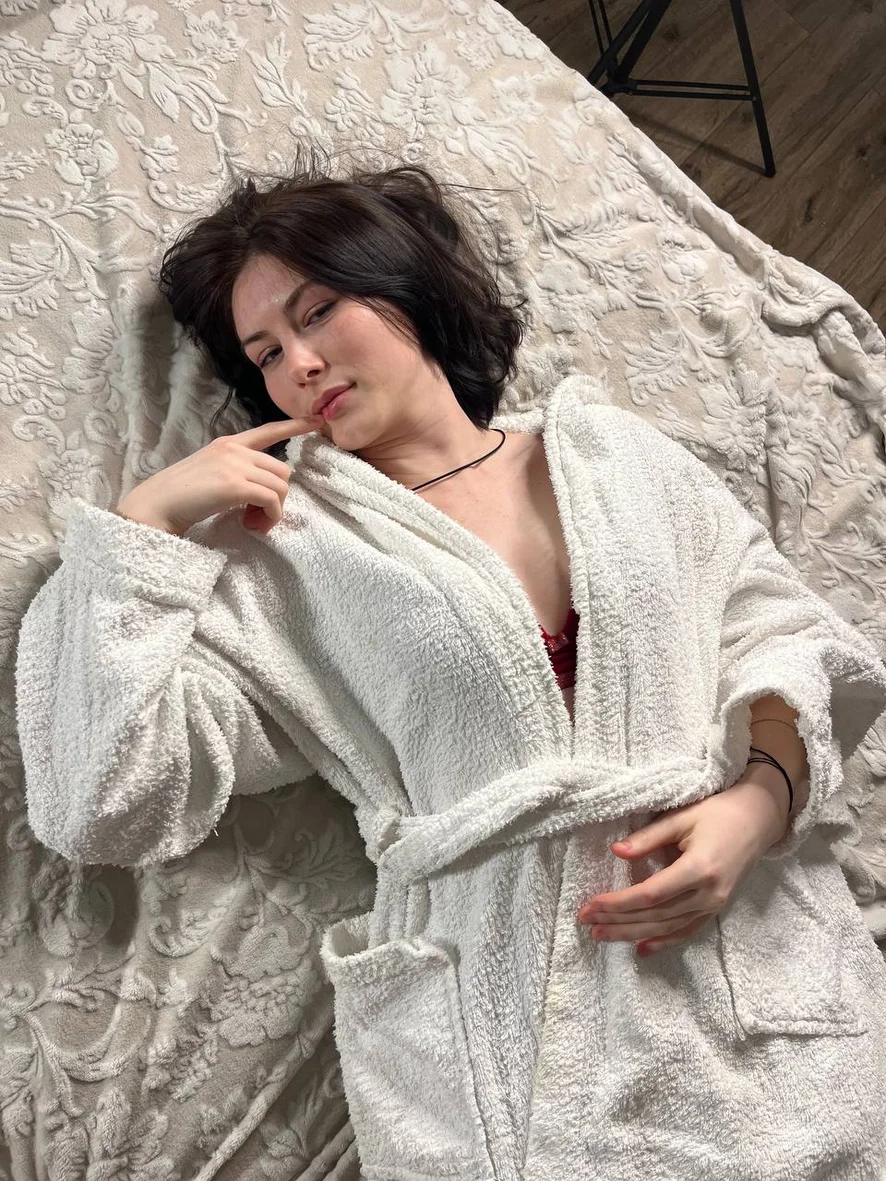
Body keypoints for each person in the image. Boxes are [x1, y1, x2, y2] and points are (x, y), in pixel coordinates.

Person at [15, 144, 886, 1179]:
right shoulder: (286, 545)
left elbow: (786, 630)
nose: (298, 362)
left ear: (409, 289)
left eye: (317, 311)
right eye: (264, 352)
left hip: (752, 980)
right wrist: (142, 529)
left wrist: (760, 803)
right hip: (505, 1038)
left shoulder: (612, 452)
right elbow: (102, 798)